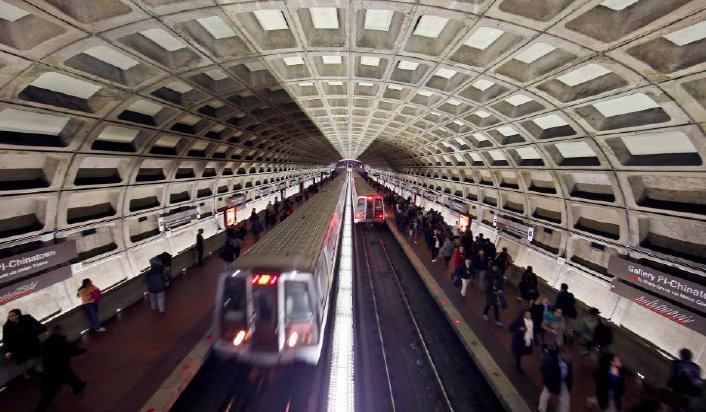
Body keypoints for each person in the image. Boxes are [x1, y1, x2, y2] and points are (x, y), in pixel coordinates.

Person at [35, 325, 87, 412]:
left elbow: (41, 353)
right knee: (52, 392)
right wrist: (84, 350)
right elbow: (74, 351)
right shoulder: (63, 343)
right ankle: (39, 409)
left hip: (49, 369)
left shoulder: (46, 343)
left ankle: (78, 386)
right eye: (63, 331)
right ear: (60, 332)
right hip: (60, 367)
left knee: (69, 377)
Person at [3, 309, 45, 379]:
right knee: (21, 361)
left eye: (13, 315)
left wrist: (43, 329)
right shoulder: (7, 326)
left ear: (18, 315)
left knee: (36, 354)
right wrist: (7, 351)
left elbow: (37, 324)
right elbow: (6, 339)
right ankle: (25, 374)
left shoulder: (26, 318)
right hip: (17, 345)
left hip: (30, 340)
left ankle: (38, 367)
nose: (11, 318)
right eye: (9, 316)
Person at [538, 346, 573, 412]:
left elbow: (569, 376)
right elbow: (546, 371)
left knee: (564, 400)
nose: (568, 356)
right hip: (553, 381)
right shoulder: (553, 361)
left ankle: (542, 408)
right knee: (546, 394)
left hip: (560, 382)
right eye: (566, 354)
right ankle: (541, 409)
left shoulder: (568, 362)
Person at [509, 309, 534, 374]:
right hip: (519, 340)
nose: (529, 316)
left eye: (529, 314)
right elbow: (511, 327)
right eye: (527, 314)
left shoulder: (531, 322)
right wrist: (519, 328)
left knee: (520, 352)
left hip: (526, 339)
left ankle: (517, 360)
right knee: (519, 352)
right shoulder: (519, 321)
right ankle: (518, 364)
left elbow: (531, 331)